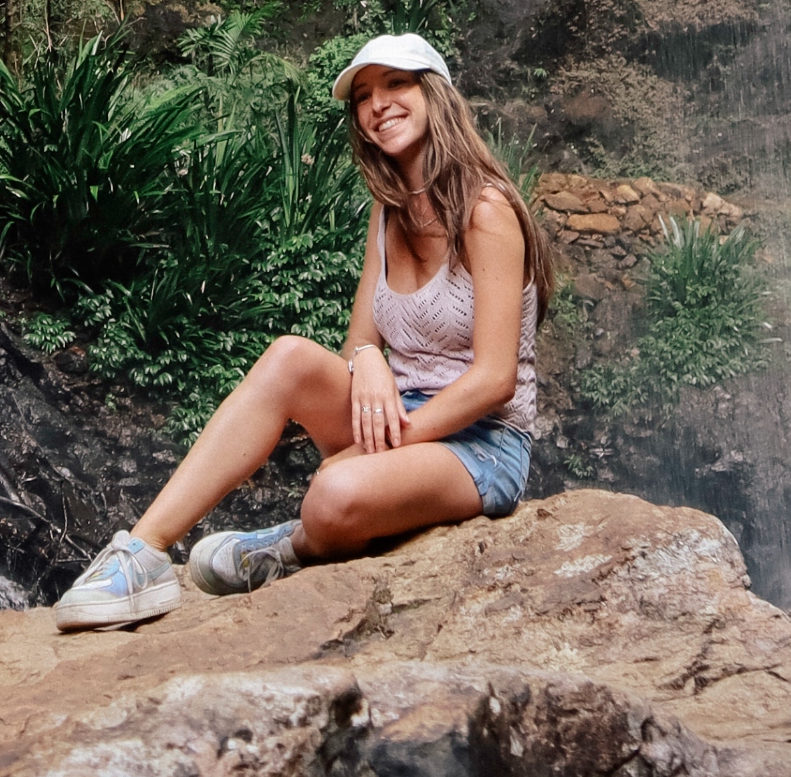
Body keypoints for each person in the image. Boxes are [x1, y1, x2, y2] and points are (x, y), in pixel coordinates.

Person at [53, 32, 551, 632]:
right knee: (289, 356)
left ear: (435, 94)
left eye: (396, 83)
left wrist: (387, 443)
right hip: (398, 414)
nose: (378, 104)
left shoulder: (487, 211)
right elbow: (360, 339)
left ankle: (294, 547)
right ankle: (142, 554)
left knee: (334, 493)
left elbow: (495, 380)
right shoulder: (388, 211)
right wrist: (367, 358)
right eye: (363, 95)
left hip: (483, 443)